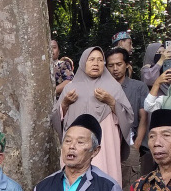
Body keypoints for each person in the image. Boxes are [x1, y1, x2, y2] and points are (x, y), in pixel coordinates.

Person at [53, 47, 135, 183]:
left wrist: (112, 102)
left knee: (104, 180)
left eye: (100, 60)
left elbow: (128, 117)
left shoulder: (113, 87)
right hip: (77, 145)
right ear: (84, 62)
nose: (96, 63)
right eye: (91, 60)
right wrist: (65, 104)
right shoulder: (70, 88)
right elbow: (56, 119)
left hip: (106, 144)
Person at [106, 47, 149, 190]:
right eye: (111, 65)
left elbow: (144, 117)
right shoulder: (102, 88)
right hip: (106, 144)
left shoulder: (139, 87)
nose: (115, 69)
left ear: (127, 65)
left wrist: (136, 145)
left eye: (119, 64)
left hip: (130, 143)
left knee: (130, 189)